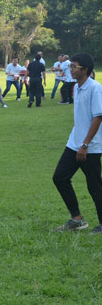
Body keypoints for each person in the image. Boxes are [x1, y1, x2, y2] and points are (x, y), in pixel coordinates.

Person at [52, 52, 102, 235]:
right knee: (59, 177)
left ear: (85, 70)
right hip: (74, 144)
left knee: (95, 186)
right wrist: (77, 139)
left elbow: (98, 117)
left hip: (90, 147)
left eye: (74, 66)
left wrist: (85, 144)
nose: (70, 69)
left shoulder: (95, 88)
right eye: (70, 66)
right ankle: (77, 219)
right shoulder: (77, 87)